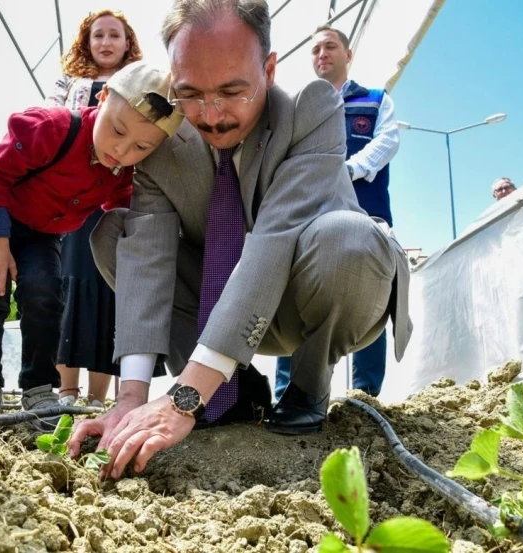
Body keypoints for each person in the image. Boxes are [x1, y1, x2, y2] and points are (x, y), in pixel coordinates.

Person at [69, 0, 411, 479]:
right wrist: (130, 400)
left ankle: (308, 386)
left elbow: (274, 241)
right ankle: (233, 389)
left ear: (268, 69)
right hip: (219, 304)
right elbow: (148, 258)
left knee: (347, 239)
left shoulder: (311, 110)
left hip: (318, 288)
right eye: (190, 94)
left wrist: (182, 400)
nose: (212, 116)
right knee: (116, 235)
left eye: (233, 91)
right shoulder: (161, 141)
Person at [0, 61, 183, 421]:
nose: (121, 151)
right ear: (103, 97)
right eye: (117, 130)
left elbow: (122, 205)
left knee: (45, 295)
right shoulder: (53, 126)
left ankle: (38, 388)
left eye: (140, 147)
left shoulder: (119, 171)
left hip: (42, 235)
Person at [273, 24, 401, 400]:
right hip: (308, 218)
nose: (322, 54)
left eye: (330, 47)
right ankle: (291, 392)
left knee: (371, 299)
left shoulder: (377, 100)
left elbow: (387, 141)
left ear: (348, 55)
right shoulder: (297, 107)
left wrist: (345, 170)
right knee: (298, 297)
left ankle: (364, 393)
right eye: (315, 49)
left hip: (366, 214)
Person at [47, 10, 145, 409]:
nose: (106, 43)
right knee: (69, 285)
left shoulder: (140, 84)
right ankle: (66, 394)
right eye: (98, 35)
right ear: (87, 42)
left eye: (114, 35)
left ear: (127, 42)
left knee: (107, 291)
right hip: (75, 195)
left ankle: (97, 399)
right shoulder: (68, 83)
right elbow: (52, 118)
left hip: (120, 193)